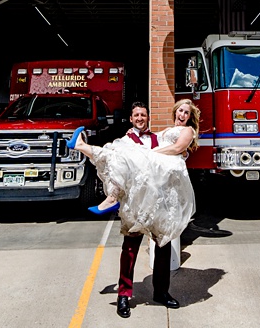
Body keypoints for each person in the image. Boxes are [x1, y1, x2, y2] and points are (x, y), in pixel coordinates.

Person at [68, 99, 200, 318]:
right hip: (136, 202)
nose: (140, 118)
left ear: (148, 118)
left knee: (163, 245)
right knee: (130, 247)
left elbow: (175, 150)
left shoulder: (158, 137)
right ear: (131, 119)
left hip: (159, 200)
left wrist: (181, 153)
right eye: (136, 115)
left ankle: (161, 292)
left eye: (143, 115)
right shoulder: (125, 140)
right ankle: (123, 295)